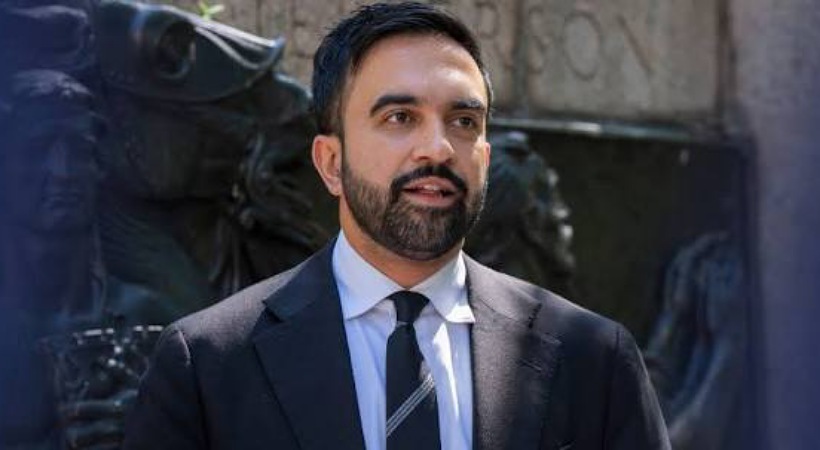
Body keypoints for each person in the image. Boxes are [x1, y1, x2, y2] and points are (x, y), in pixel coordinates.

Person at [123, 3, 670, 449]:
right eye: (399, 117)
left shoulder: (595, 360)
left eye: (463, 121)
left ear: (483, 156)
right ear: (331, 163)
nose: (437, 147)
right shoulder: (207, 365)